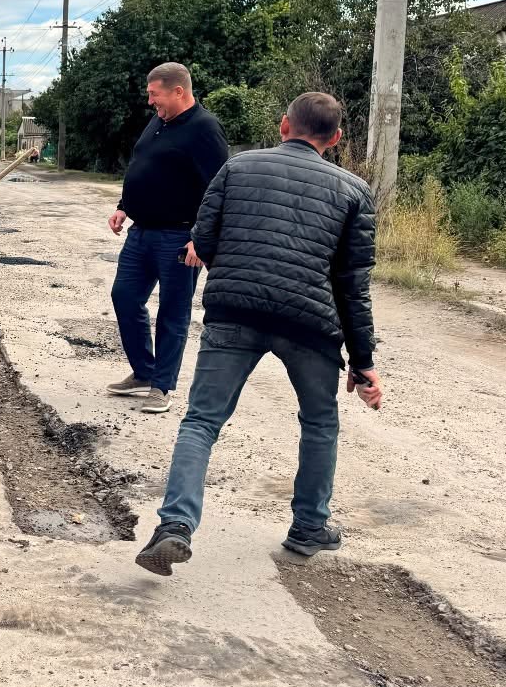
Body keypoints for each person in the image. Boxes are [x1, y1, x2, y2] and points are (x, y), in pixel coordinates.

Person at [135, 92, 383, 577]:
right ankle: (309, 526)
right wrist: (362, 360)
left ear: (284, 125)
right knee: (319, 423)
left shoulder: (238, 168)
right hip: (309, 324)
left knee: (201, 421)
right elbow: (354, 287)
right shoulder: (354, 191)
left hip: (234, 312)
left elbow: (202, 241)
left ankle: (175, 525)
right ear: (334, 139)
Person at [107, 62, 229, 415]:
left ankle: (162, 386)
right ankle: (144, 372)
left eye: (154, 94)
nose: (150, 101)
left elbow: (219, 188)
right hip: (141, 231)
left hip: (180, 237)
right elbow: (144, 166)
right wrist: (124, 206)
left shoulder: (205, 128)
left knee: (173, 313)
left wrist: (202, 240)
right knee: (125, 297)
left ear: (178, 91)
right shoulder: (159, 121)